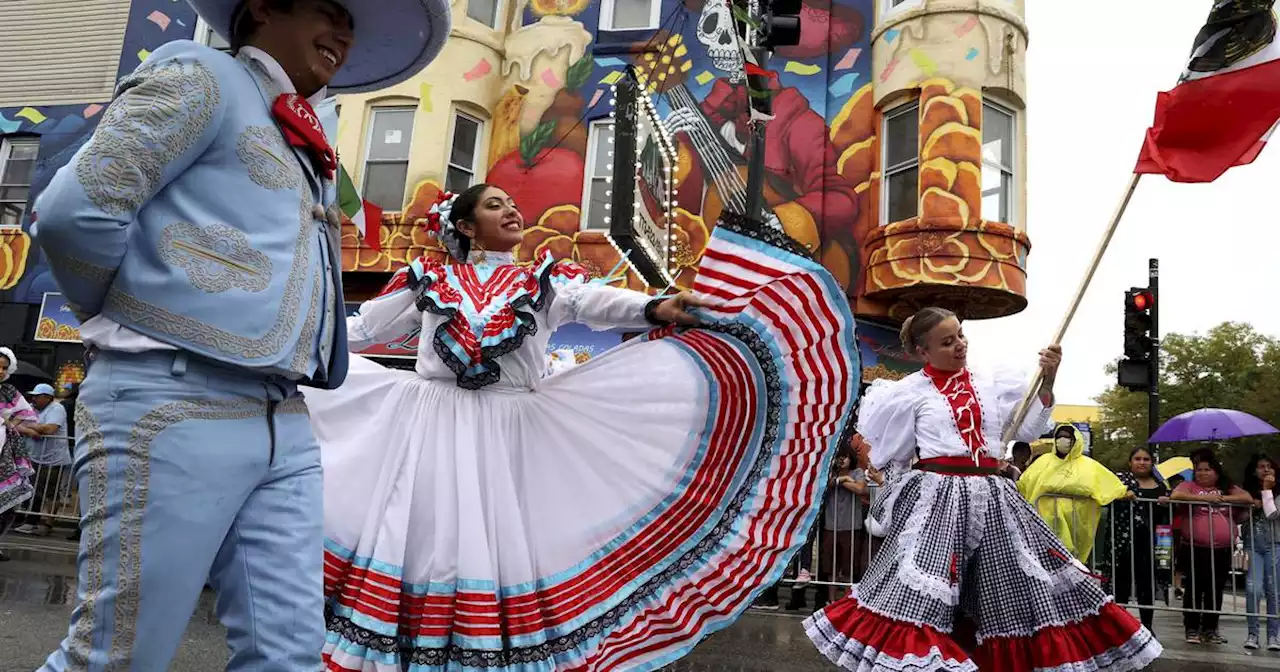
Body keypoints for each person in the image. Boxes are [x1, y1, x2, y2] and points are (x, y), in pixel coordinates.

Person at [30, 0, 450, 668]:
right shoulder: (200, 73)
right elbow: (73, 212)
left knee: (288, 657)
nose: (346, 31)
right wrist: (126, 315)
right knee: (119, 657)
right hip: (168, 404)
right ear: (262, 7)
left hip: (284, 418)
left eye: (353, 21)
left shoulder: (303, 133)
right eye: (329, 8)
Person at [302, 184, 860, 670]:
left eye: (515, 204)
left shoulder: (542, 283)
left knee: (496, 543)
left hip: (509, 430)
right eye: (496, 205)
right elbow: (364, 328)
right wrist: (298, 342)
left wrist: (657, 309)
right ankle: (402, 649)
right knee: (418, 535)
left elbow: (595, 303)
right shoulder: (428, 279)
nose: (513, 211)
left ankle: (480, 650)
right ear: (467, 226)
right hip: (428, 422)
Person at [804, 306, 1162, 671]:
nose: (960, 345)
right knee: (923, 595)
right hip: (939, 502)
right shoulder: (905, 393)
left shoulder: (991, 381)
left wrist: (1048, 382)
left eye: (960, 335)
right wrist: (889, 490)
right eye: (947, 342)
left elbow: (1025, 431)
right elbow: (886, 455)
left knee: (1011, 589)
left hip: (993, 498)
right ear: (922, 352)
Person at [1170, 447, 1252, 645]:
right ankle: (1191, 628)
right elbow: (1176, 496)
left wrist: (1222, 499)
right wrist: (1203, 498)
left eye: (1207, 469)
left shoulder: (1227, 486)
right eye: (1199, 470)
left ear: (1216, 471)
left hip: (1222, 548)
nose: (1203, 473)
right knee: (1194, 589)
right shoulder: (1189, 486)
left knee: (1215, 590)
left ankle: (1210, 629)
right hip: (1195, 547)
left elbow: (1247, 499)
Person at [1017, 424, 1131, 564]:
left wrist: (1123, 493)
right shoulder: (1043, 461)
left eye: (1067, 437)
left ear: (1075, 439)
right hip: (1042, 518)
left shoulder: (1089, 465)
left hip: (1076, 521)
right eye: (1059, 436)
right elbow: (1024, 484)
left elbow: (1108, 484)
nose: (1062, 440)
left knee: (1070, 559)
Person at [1110, 446, 1171, 630]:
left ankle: (1147, 626)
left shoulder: (1162, 485)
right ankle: (1119, 628)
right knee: (1121, 584)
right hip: (1125, 541)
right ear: (1130, 462)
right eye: (1137, 459)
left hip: (1152, 541)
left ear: (1152, 463)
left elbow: (1166, 514)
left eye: (1146, 459)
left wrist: (1166, 503)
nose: (1142, 462)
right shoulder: (1120, 481)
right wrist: (1121, 494)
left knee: (1147, 584)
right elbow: (1106, 495)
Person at [11, 383, 72, 536]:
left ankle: (47, 524)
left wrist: (29, 425)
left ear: (47, 397)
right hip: (33, 456)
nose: (33, 398)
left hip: (53, 458)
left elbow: (49, 429)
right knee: (34, 489)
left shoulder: (56, 409)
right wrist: (30, 431)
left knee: (49, 491)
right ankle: (30, 520)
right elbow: (13, 425)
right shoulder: (31, 407)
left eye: (37, 396)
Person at [0, 348, 40, 562]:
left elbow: (27, 414)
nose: (0, 371)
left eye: (4, 367)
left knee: (7, 503)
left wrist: (9, 424)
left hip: (5, 453)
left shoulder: (9, 391)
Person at [1241, 453, 1280, 651]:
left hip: (1275, 545)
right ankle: (1252, 633)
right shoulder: (1248, 492)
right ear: (1254, 471)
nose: (1265, 469)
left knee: (1274, 592)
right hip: (1253, 545)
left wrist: (1267, 491)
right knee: (1253, 589)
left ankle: (1274, 635)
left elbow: (1273, 513)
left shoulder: (1278, 491)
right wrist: (1248, 507)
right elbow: (1239, 517)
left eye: (1269, 466)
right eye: (1261, 466)